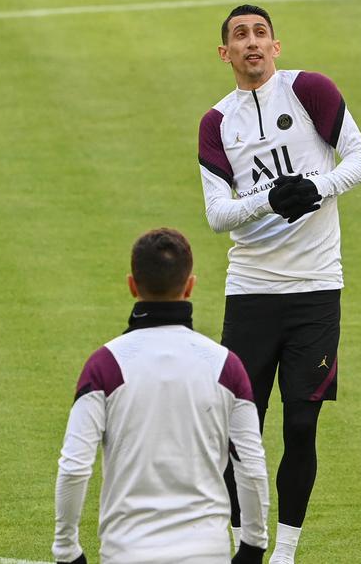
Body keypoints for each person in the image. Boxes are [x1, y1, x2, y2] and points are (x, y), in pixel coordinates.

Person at [197, 4, 361, 563]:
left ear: (276, 46)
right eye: (240, 35)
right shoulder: (216, 123)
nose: (251, 42)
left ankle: (286, 553)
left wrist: (317, 187)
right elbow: (217, 215)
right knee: (240, 428)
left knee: (301, 423)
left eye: (260, 33)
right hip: (251, 292)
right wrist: (269, 199)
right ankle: (241, 543)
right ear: (225, 53)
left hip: (316, 289)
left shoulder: (310, 91)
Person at [52, 228, 269, 564]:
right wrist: (253, 545)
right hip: (207, 553)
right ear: (190, 286)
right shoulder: (226, 366)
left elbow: (75, 467)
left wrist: (66, 548)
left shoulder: (104, 365)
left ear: (132, 285)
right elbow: (251, 465)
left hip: (127, 553)